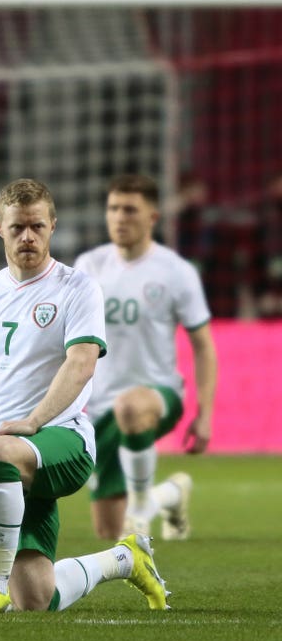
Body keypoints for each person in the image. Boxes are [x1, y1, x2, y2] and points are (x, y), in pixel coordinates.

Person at [0, 178, 169, 615]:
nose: (27, 236)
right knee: (34, 598)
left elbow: (82, 362)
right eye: (17, 228)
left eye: (36, 227)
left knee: (0, 448)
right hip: (9, 458)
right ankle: (125, 559)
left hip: (62, 440)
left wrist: (32, 422)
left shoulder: (76, 288)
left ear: (52, 226)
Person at [74, 174, 217, 541]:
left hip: (158, 394)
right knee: (109, 532)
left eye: (130, 210)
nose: (120, 217)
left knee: (132, 407)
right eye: (113, 208)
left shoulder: (176, 272)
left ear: (152, 217)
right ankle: (171, 494)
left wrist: (204, 415)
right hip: (101, 408)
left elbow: (203, 345)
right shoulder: (89, 266)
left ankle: (141, 510)